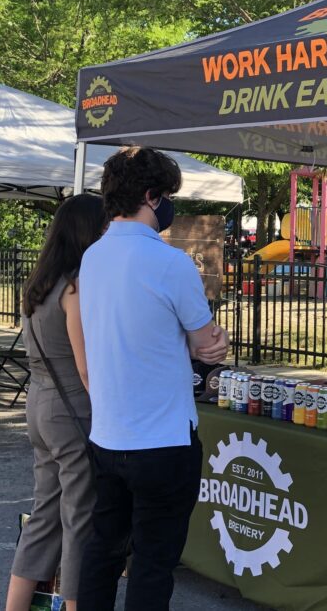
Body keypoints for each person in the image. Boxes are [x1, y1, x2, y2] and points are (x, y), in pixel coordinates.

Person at [77, 146, 229, 611]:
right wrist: (203, 343)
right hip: (163, 440)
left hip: (107, 434)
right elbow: (207, 342)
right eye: (166, 196)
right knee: (152, 562)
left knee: (103, 551)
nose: (169, 206)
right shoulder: (171, 263)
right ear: (150, 195)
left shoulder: (92, 257)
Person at [6, 194, 106, 611]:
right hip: (71, 409)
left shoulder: (39, 283)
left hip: (39, 404)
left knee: (44, 515)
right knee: (79, 518)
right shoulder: (75, 286)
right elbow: (86, 368)